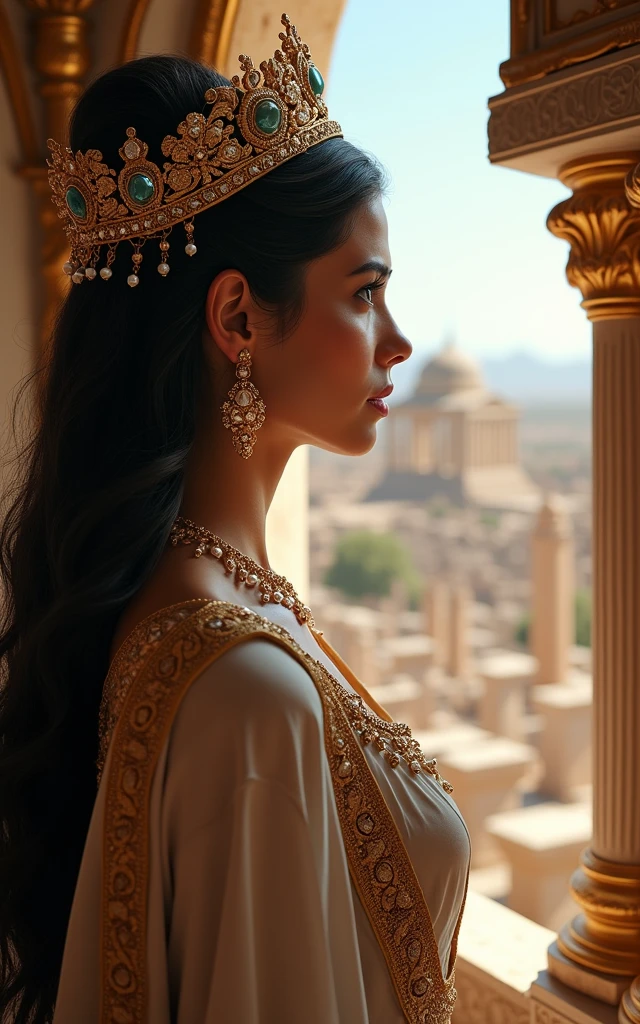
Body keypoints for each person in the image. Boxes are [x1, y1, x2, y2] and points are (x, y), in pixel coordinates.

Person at [0, 15, 470, 1024]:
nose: (397, 343)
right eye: (364, 293)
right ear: (237, 320)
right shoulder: (245, 690)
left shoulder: (204, 595)